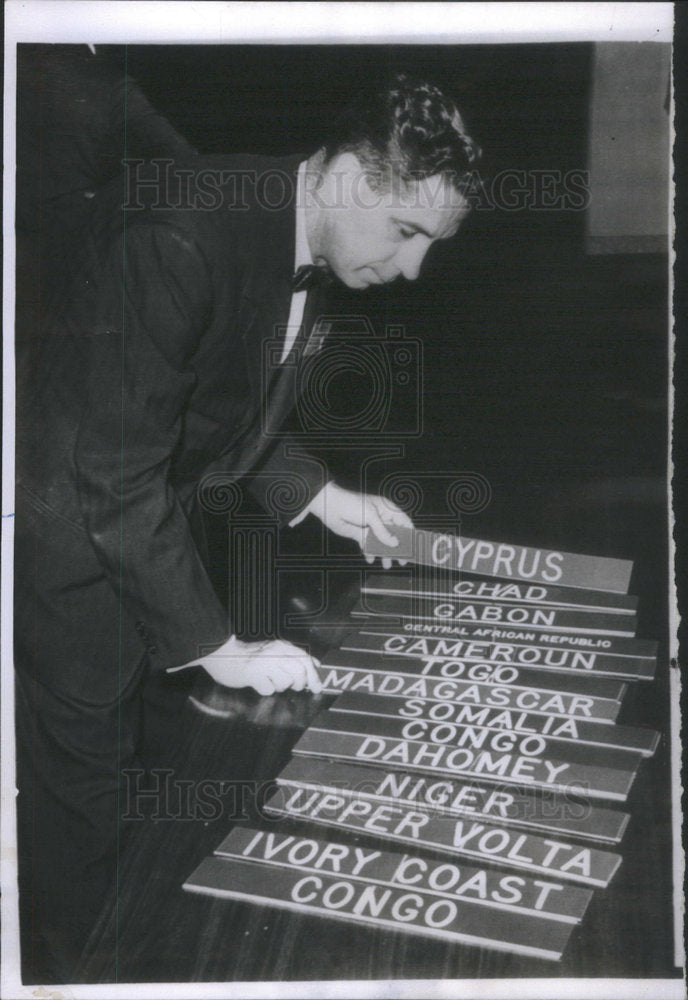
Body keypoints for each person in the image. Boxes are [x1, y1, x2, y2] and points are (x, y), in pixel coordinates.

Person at [13, 66, 480, 981]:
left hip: (145, 539)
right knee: (79, 841)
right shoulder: (182, 236)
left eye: (435, 243)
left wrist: (323, 496)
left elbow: (214, 403)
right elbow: (114, 475)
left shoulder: (282, 218)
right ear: (347, 175)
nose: (413, 268)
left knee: (137, 812)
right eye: (407, 230)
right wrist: (220, 646)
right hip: (72, 565)